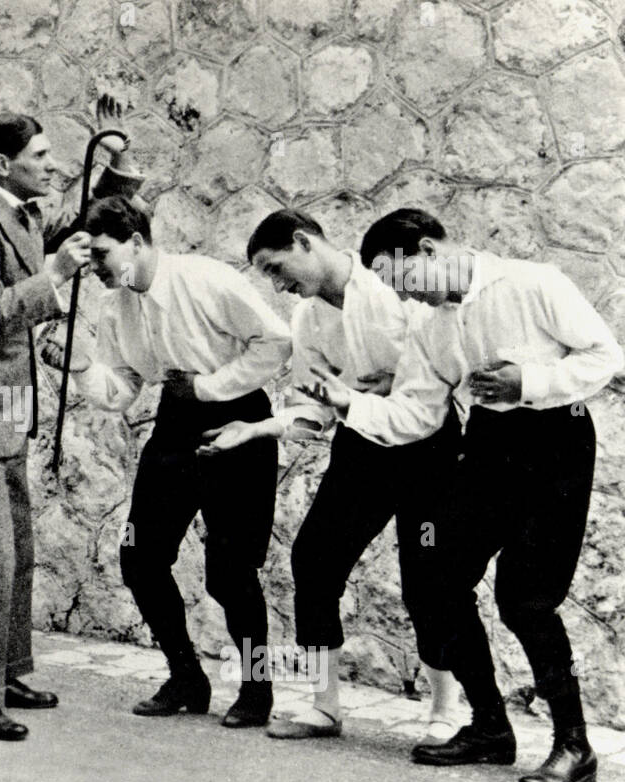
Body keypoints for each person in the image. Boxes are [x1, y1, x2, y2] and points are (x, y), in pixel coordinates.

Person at [302, 208, 624, 782]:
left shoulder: (534, 282)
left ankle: (574, 745)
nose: (396, 292)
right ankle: (489, 726)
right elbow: (415, 415)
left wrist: (528, 382)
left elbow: (606, 357)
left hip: (557, 444)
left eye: (394, 275)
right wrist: (349, 404)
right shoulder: (431, 328)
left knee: (525, 599)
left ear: (426, 249)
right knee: (435, 578)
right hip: (488, 449)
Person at [196, 209, 464, 742]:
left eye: (276, 268)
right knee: (313, 560)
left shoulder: (390, 284)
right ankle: (325, 707)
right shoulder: (306, 320)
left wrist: (400, 380)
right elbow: (313, 408)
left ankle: (446, 710)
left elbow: (441, 360)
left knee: (428, 578)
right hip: (362, 446)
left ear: (303, 241)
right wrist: (255, 430)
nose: (277, 284)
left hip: (429, 446)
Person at [0, 98, 144, 742]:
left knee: (17, 552)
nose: (52, 167)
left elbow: (79, 217)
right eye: (41, 158)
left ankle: (6, 672)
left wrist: (113, 157)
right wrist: (52, 277)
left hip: (3, 418)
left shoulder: (18, 212)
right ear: (3, 163)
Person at [41, 197, 290, 726]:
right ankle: (186, 677)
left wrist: (209, 386)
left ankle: (256, 689)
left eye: (102, 254)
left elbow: (277, 339)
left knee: (230, 572)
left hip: (240, 422)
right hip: (174, 428)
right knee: (140, 558)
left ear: (135, 240)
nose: (96, 268)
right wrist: (82, 365)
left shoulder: (206, 279)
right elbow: (121, 391)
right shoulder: (116, 307)